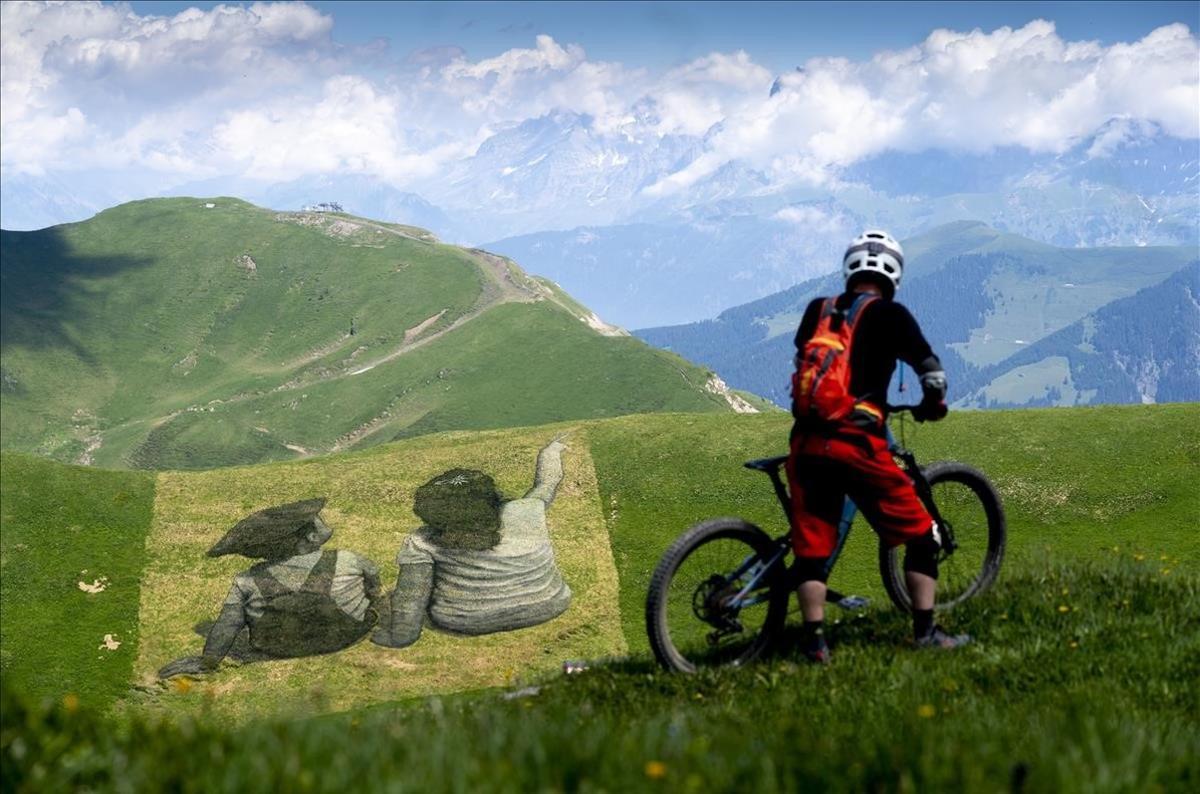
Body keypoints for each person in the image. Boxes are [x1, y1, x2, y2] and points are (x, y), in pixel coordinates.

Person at [786, 230, 966, 664]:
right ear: (893, 274)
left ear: (850, 269)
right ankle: (925, 633)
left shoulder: (819, 310)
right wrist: (933, 406)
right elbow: (932, 373)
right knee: (923, 537)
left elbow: (801, 364)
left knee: (811, 547)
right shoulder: (892, 315)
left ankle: (814, 644)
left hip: (807, 442)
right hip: (856, 444)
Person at [371, 439, 572, 648]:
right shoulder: (527, 510)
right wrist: (551, 450)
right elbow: (547, 483)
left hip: (465, 621)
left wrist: (402, 636)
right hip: (550, 605)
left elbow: (411, 598)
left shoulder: (421, 541)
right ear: (492, 497)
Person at [158, 498, 383, 677]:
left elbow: (227, 627)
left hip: (278, 649)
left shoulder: (246, 581)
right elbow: (373, 589)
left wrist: (207, 662)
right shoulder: (349, 559)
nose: (324, 520)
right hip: (345, 636)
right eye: (318, 519)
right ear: (311, 536)